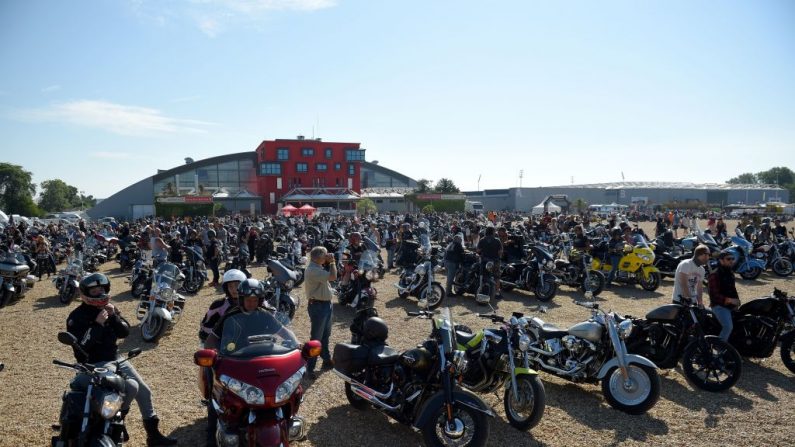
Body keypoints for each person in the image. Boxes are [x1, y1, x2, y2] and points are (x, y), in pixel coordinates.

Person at [66, 273, 177, 446]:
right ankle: (113, 424)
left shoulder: (109, 308)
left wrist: (115, 316)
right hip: (93, 364)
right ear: (86, 293)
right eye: (95, 290)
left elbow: (124, 332)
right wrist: (97, 324)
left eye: (102, 289)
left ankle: (153, 436)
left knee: (144, 391)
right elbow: (81, 346)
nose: (100, 293)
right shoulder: (77, 316)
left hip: (116, 358)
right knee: (121, 390)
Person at [303, 246, 337, 379]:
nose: (327, 256)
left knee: (325, 335)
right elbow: (333, 276)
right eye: (325, 254)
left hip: (324, 304)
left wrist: (328, 262)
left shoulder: (317, 267)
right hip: (318, 306)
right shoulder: (312, 270)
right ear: (318, 257)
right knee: (316, 338)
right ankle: (309, 368)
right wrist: (332, 262)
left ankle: (326, 359)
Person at [198, 269, 247, 344]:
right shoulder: (219, 305)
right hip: (225, 344)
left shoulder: (254, 301)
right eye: (230, 286)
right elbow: (206, 328)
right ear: (226, 288)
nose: (233, 289)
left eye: (237, 285)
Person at [707, 250, 740, 341]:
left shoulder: (730, 272)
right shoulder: (714, 274)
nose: (731, 261)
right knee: (728, 327)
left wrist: (737, 301)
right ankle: (719, 348)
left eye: (732, 259)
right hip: (719, 306)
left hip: (730, 305)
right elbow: (714, 295)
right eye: (728, 259)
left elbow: (733, 289)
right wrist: (729, 300)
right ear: (721, 260)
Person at [476, 226, 503, 299]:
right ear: (493, 232)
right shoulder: (497, 240)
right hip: (495, 261)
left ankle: (481, 289)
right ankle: (497, 292)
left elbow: (478, 250)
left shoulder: (482, 240)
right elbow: (500, 252)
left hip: (484, 261)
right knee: (497, 277)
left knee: (482, 275)